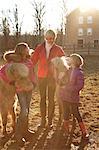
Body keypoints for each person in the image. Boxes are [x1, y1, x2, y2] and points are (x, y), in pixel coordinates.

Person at [31, 29, 65, 128]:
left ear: (55, 38)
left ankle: (50, 121)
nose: (50, 40)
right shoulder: (39, 48)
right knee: (42, 98)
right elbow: (33, 61)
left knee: (51, 99)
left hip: (52, 78)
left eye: (52, 39)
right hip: (41, 76)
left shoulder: (58, 49)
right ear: (45, 38)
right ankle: (43, 120)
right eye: (48, 38)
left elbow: (63, 62)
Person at [3, 42, 36, 144]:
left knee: (27, 110)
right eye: (26, 48)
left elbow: (32, 73)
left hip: (29, 89)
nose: (28, 50)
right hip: (20, 89)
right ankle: (18, 133)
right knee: (24, 111)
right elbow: (2, 72)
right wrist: (10, 82)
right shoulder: (14, 62)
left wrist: (34, 83)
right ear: (21, 50)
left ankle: (26, 130)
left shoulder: (29, 60)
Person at [60, 53, 89, 142]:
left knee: (76, 113)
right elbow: (63, 80)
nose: (68, 60)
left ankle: (84, 132)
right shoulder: (68, 70)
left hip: (73, 98)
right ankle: (66, 131)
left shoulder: (79, 73)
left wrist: (67, 88)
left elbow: (79, 86)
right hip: (64, 97)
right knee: (65, 113)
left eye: (70, 59)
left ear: (75, 61)